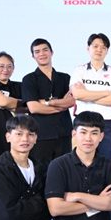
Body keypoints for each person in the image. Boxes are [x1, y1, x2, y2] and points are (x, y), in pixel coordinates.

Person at [70, 32, 111, 165]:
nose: (99, 49)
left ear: (107, 51)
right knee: (82, 163)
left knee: (109, 164)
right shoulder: (79, 70)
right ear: (88, 48)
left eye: (103, 47)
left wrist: (87, 94)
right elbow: (77, 95)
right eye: (95, 46)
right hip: (83, 122)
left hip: (108, 124)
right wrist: (106, 92)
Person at [22, 38, 74, 168]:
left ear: (52, 52)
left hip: (64, 133)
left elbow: (71, 101)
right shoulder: (29, 79)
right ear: (33, 56)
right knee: (41, 172)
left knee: (64, 170)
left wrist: (47, 103)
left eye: (45, 50)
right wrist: (60, 106)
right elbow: (33, 108)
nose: (42, 54)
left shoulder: (65, 78)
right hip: (41, 135)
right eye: (37, 51)